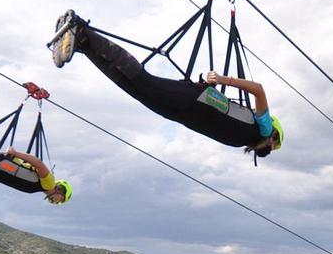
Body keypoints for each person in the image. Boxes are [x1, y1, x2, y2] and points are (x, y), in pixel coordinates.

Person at [48, 10, 284, 157]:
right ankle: (83, 30)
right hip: (193, 100)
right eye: (273, 147)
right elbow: (259, 90)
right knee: (143, 81)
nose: (268, 151)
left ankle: (83, 45)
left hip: (182, 113)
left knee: (133, 88)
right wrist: (224, 80)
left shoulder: (243, 140)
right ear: (272, 135)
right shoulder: (261, 127)